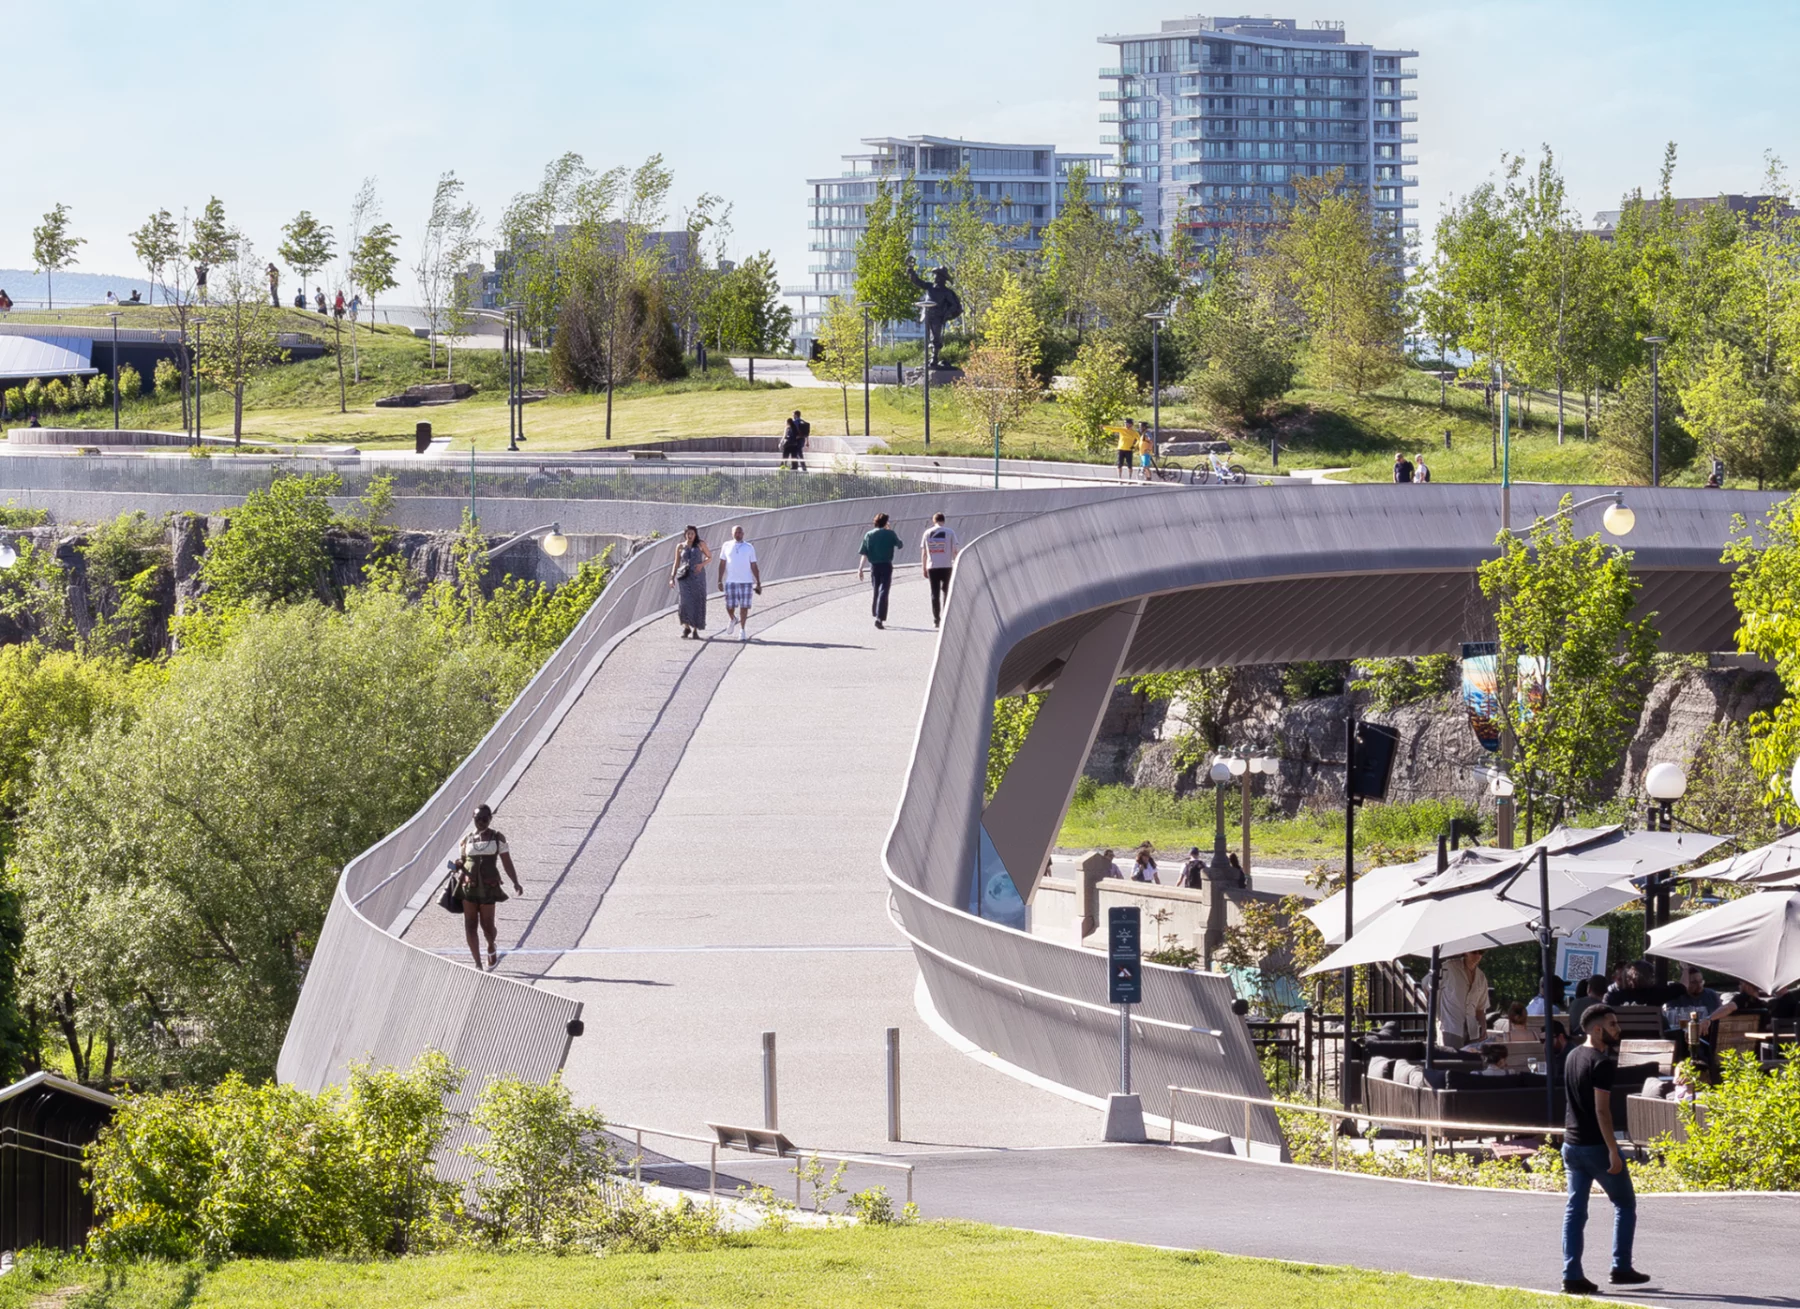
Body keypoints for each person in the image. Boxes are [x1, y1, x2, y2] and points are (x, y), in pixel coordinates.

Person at [1560, 1004, 1651, 1293]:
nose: (1617, 1029)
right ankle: (1620, 1267)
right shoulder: (1601, 1063)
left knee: (1575, 1210)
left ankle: (1571, 1274)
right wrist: (1613, 1150)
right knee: (1625, 1204)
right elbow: (1602, 1112)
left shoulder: (1572, 1056)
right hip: (1595, 1146)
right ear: (1597, 1029)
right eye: (1612, 1024)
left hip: (1570, 1144)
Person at [456, 803, 523, 972]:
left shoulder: (497, 837)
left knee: (487, 926)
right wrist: (458, 865)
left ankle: (491, 945)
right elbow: (463, 862)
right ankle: (478, 964)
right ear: (473, 819)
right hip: (469, 886)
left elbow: (506, 861)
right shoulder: (466, 840)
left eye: (485, 818)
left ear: (490, 819)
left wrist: (515, 881)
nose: (481, 822)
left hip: (488, 885)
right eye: (478, 819)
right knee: (470, 924)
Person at [857, 512, 903, 630]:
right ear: (886, 522)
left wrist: (860, 568)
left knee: (876, 589)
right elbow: (900, 544)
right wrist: (890, 530)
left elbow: (864, 552)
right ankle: (879, 617)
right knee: (884, 590)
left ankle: (876, 612)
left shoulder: (869, 534)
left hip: (874, 566)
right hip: (886, 565)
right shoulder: (890, 534)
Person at [1436, 950, 1490, 1049]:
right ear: (1466, 952)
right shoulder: (1449, 967)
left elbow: (1480, 1008)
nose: (1477, 955)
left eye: (1481, 952)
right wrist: (1437, 1015)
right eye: (1474, 952)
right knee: (1452, 1061)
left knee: (1471, 1062)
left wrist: (1484, 1027)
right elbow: (1427, 986)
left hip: (1472, 1029)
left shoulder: (1481, 977)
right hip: (1450, 1027)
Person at [716, 524, 761, 641]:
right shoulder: (726, 545)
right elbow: (722, 563)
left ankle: (742, 630)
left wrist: (758, 581)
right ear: (732, 534)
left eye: (740, 532)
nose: (738, 534)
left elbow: (753, 564)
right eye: (736, 532)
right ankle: (732, 618)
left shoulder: (749, 547)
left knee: (744, 606)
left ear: (743, 534)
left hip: (746, 581)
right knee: (729, 605)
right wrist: (719, 580)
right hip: (731, 581)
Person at [667, 525, 712, 639]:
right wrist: (672, 577)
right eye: (688, 534)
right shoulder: (680, 546)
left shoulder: (700, 544)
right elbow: (676, 563)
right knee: (684, 602)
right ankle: (686, 627)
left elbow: (709, 557)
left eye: (692, 533)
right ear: (685, 534)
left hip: (697, 576)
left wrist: (701, 565)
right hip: (685, 577)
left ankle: (696, 628)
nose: (690, 536)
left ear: (695, 534)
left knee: (698, 601)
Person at [921, 512, 958, 628]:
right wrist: (956, 562)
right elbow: (955, 550)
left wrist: (924, 567)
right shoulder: (950, 532)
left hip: (932, 566)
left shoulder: (927, 533)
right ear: (944, 520)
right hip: (947, 566)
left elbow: (924, 553)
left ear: (934, 520)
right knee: (947, 592)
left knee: (934, 593)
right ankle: (946, 616)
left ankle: (936, 619)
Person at [1660, 963, 1721, 1030]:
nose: (1699, 985)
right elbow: (1671, 1021)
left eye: (1701, 981)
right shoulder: (1675, 997)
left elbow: (1720, 1020)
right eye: (1694, 982)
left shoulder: (1711, 995)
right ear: (1685, 982)